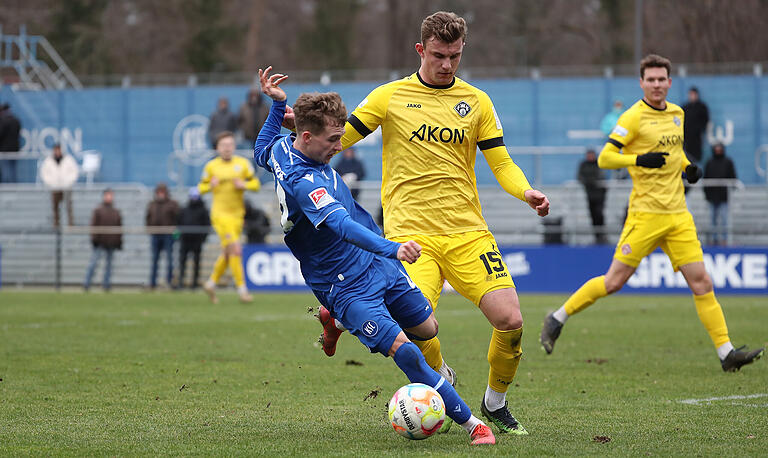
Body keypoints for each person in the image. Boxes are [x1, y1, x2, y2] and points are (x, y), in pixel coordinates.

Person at [332, 12, 550, 435]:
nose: (446, 64)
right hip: (410, 238)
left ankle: (494, 402)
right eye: (438, 55)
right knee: (417, 324)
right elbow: (338, 137)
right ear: (421, 50)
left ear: (462, 50)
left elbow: (501, 162)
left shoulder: (478, 102)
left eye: (453, 56)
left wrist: (526, 192)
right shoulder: (389, 96)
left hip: (468, 233)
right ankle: (440, 379)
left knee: (510, 319)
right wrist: (298, 133)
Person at [253, 67, 495, 445]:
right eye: (334, 139)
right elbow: (343, 227)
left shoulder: (283, 148)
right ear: (306, 136)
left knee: (428, 328)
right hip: (343, 283)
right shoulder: (305, 182)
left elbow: (260, 149)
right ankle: (474, 424)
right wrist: (394, 248)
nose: (340, 145)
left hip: (376, 265)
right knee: (408, 353)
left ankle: (333, 322)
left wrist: (277, 104)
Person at [540, 54, 764, 373]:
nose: (657, 84)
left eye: (662, 79)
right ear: (642, 83)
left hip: (678, 216)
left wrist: (689, 168)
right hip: (644, 216)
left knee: (702, 282)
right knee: (614, 281)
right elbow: (605, 158)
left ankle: (726, 352)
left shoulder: (677, 113)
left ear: (670, 83)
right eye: (651, 79)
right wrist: (638, 159)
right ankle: (557, 317)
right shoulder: (632, 117)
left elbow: (675, 153)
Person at [199, 131, 261, 303]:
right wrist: (209, 186)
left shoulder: (242, 164)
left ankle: (211, 283)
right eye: (223, 145)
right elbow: (200, 188)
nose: (227, 148)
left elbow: (256, 185)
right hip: (219, 215)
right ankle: (242, 290)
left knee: (228, 252)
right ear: (218, 148)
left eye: (229, 145)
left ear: (234, 146)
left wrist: (244, 184)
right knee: (235, 249)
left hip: (237, 215)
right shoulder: (211, 167)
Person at [84, 189, 122, 291]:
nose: (109, 197)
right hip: (99, 242)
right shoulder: (98, 210)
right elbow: (94, 226)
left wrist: (118, 242)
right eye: (108, 195)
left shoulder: (116, 211)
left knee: (109, 266)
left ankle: (106, 285)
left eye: (111, 195)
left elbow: (119, 228)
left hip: (111, 243)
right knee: (93, 263)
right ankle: (86, 284)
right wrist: (95, 240)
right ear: (104, 196)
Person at [146, 183, 180, 289]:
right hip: (155, 235)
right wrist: (150, 229)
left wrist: (175, 233)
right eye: (159, 192)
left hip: (168, 235)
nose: (160, 194)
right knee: (155, 260)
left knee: (170, 259)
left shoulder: (172, 204)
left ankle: (170, 282)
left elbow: (178, 218)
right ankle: (153, 282)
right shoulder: (152, 204)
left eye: (162, 192)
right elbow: (147, 218)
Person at [703, 143, 736, 246]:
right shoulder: (710, 162)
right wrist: (707, 195)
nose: (718, 151)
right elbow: (706, 179)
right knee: (713, 220)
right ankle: (714, 239)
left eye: (719, 149)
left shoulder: (728, 162)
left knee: (725, 220)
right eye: (716, 149)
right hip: (713, 197)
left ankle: (725, 240)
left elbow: (733, 177)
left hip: (724, 197)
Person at [177, 187, 210, 289]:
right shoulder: (184, 209)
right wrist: (179, 237)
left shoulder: (203, 210)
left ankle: (194, 283)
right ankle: (181, 282)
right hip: (185, 239)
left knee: (196, 262)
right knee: (182, 262)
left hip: (197, 241)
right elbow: (178, 223)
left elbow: (207, 225)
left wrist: (203, 238)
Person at [39, 143, 79, 227]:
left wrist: (69, 182)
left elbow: (75, 171)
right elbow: (44, 173)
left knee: (68, 206)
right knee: (55, 207)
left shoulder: (68, 159)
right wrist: (51, 183)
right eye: (56, 150)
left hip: (66, 187)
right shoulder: (48, 161)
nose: (57, 152)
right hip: (55, 188)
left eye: (58, 149)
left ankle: (70, 224)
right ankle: (56, 224)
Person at [577, 148, 607, 244]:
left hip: (600, 195)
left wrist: (591, 182)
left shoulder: (599, 164)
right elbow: (580, 177)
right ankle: (597, 235)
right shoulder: (583, 165)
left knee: (599, 214)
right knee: (593, 215)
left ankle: (601, 234)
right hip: (590, 194)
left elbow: (601, 177)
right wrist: (589, 182)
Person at [682, 87, 709, 164]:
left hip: (697, 138)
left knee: (695, 158)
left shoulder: (702, 107)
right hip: (686, 138)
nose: (692, 96)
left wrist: (699, 130)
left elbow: (705, 120)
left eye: (694, 94)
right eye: (691, 94)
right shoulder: (685, 107)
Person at [0, 102, 22, 183]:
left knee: (6, 173)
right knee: (12, 171)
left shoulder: (3, 121)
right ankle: (14, 191)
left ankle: (8, 193)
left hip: (5, 151)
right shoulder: (16, 120)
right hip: (14, 150)